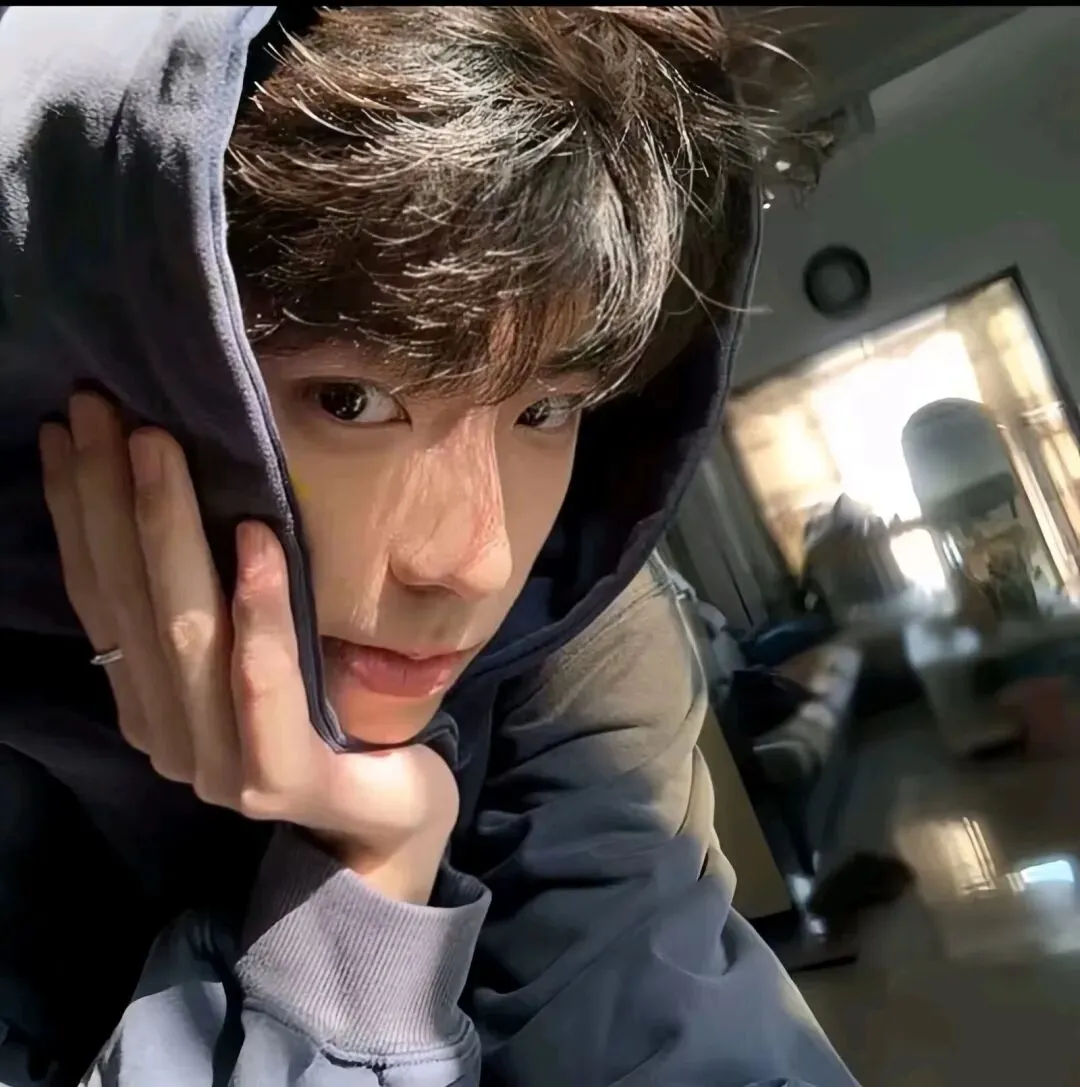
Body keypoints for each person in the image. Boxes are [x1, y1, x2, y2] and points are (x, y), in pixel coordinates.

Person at [0, 6, 858, 1086]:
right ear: (100, 355)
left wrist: (370, 870)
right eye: (350, 399)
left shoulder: (571, 632)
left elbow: (659, 1006)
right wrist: (355, 934)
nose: (475, 561)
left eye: (546, 410)